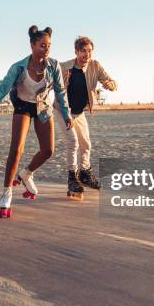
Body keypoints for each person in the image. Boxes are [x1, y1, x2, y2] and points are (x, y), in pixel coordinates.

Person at [0, 25, 72, 218]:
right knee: (16, 149)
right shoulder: (18, 68)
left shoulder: (54, 66)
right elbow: (0, 92)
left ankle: (26, 174)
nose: (46, 49)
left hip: (43, 109)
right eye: (42, 45)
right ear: (32, 45)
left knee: (48, 150)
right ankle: (6, 193)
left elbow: (60, 92)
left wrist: (66, 113)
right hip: (22, 106)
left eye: (49, 46)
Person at [55, 36, 117, 199]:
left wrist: (110, 85)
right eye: (83, 51)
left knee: (86, 144)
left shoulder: (95, 66)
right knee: (73, 143)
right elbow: (50, 85)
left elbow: (111, 82)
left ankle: (85, 173)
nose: (87, 54)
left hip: (79, 112)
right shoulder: (64, 68)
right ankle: (72, 178)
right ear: (76, 52)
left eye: (89, 51)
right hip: (63, 111)